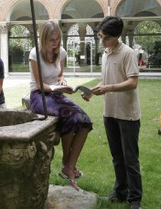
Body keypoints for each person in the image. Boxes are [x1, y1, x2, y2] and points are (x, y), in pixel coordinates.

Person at [82, 16, 142, 209]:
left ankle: (135, 199)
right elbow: (107, 80)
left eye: (105, 38)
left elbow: (132, 82)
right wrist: (93, 91)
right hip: (109, 113)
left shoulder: (128, 53)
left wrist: (108, 88)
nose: (102, 42)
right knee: (117, 156)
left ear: (117, 36)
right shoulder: (107, 53)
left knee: (130, 159)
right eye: (100, 37)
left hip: (128, 115)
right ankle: (120, 192)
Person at [28, 20, 92, 191]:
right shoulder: (35, 54)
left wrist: (63, 82)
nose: (55, 43)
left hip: (56, 94)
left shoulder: (61, 52)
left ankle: (69, 166)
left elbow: (60, 75)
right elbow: (40, 85)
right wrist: (60, 88)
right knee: (70, 117)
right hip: (39, 96)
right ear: (43, 39)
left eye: (57, 39)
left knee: (85, 120)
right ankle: (66, 162)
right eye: (51, 40)